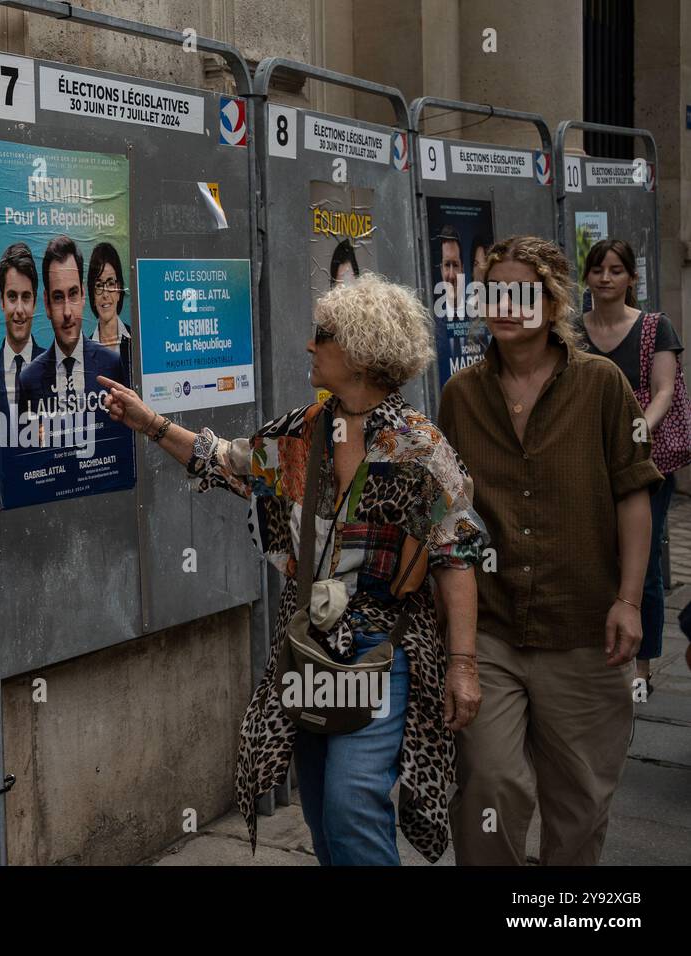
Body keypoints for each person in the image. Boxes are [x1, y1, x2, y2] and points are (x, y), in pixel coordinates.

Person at [100, 274, 486, 865]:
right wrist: (150, 423)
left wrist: (462, 665)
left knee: (354, 801)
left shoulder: (418, 447)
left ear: (360, 352)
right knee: (324, 814)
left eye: (323, 336)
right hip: (307, 646)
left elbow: (456, 554)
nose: (310, 347)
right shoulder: (304, 433)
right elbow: (224, 461)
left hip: (381, 648)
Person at [439, 235, 661, 866]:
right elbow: (445, 513)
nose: (504, 305)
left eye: (521, 291)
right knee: (491, 784)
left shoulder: (602, 385)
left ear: (552, 299)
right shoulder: (461, 396)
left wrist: (629, 599)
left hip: (586, 626)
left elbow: (634, 496)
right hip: (492, 628)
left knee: (580, 802)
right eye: (493, 291)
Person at [577, 238, 686, 697]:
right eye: (598, 269)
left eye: (616, 270)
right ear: (587, 277)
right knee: (593, 556)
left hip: (645, 462)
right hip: (584, 460)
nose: (606, 278)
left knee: (645, 566)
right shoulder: (571, 329)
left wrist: (637, 430)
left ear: (631, 278)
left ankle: (642, 668)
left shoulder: (654, 328)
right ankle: (596, 653)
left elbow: (662, 390)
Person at [18, 236, 125, 435]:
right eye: (58, 298)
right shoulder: (28, 380)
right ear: (47, 305)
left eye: (73, 294)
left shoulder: (113, 365)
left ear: (83, 296)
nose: (67, 312)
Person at [0, 242, 42, 416]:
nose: (20, 310)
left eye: (26, 297)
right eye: (12, 297)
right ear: (2, 301)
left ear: (35, 303)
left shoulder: (55, 368)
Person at [86, 241, 132, 378]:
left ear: (119, 291)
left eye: (111, 284)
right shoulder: (83, 352)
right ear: (92, 295)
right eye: (99, 285)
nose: (105, 294)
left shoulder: (137, 341)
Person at [436, 226, 463, 318]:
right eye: (447, 265)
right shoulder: (433, 322)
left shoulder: (477, 318)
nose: (451, 276)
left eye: (455, 265)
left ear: (462, 269)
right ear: (441, 270)